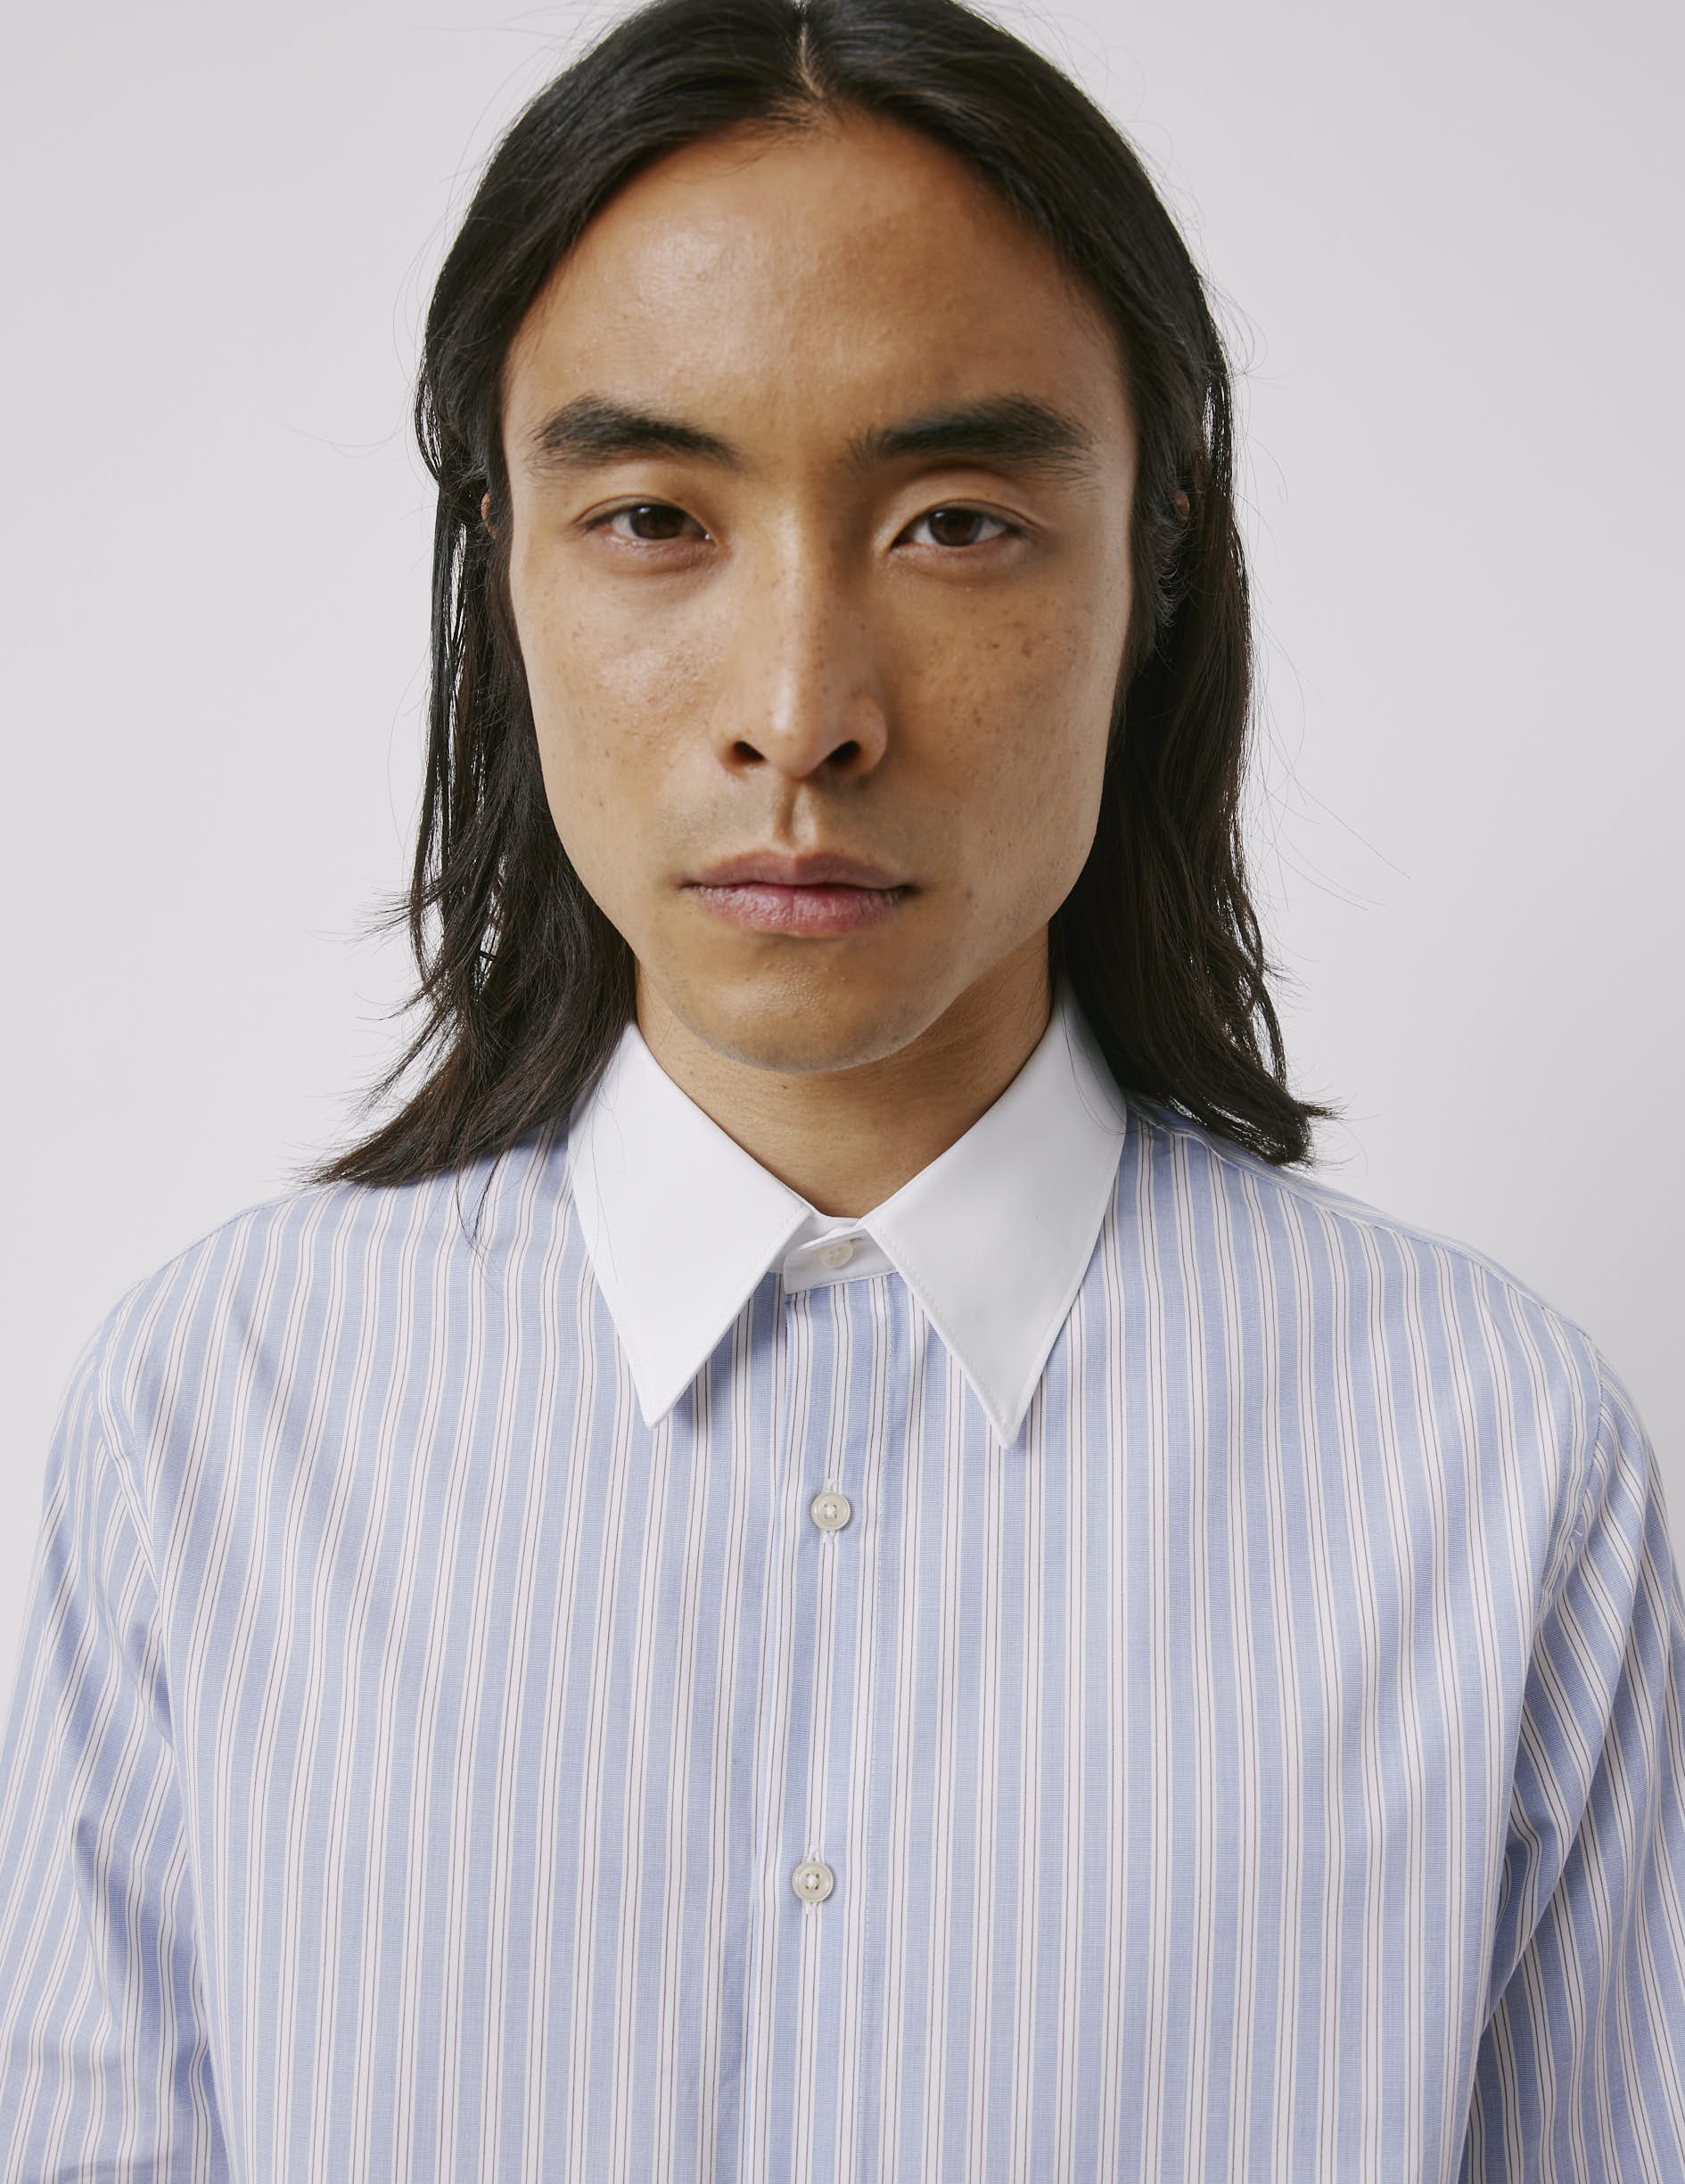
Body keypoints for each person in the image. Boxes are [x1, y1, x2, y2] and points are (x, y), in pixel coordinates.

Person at [1, 0, 1681, 2174]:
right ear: (499, 566)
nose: (800, 713)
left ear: (1157, 563)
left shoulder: (1495, 1475)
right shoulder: (210, 1432)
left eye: (956, 520)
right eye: (652, 516)